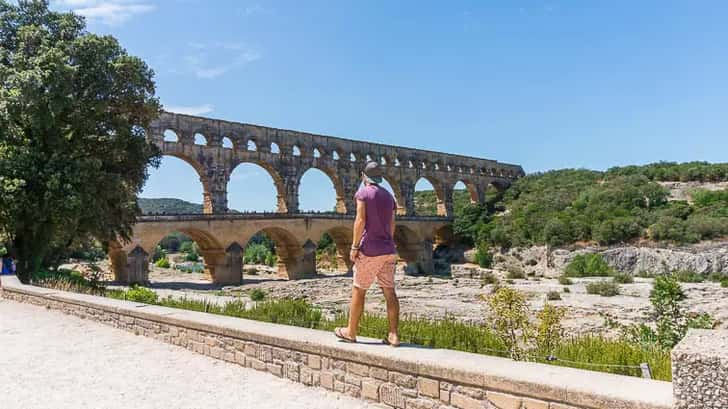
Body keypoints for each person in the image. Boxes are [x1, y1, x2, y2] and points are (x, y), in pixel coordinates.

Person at [334, 161, 400, 347]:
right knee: (389, 291)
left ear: (364, 175)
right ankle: (393, 335)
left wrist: (354, 247)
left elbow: (360, 220)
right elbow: (392, 224)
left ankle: (351, 331)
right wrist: (388, 241)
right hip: (388, 249)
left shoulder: (363, 193)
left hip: (370, 250)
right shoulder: (389, 197)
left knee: (359, 290)